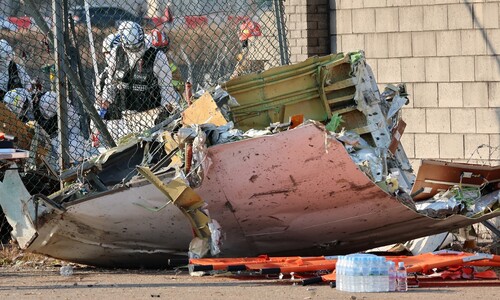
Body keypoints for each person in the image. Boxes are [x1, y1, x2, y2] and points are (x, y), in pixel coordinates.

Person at [101, 21, 181, 132]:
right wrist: (106, 101)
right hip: (124, 114)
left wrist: (166, 108)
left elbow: (166, 87)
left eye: (139, 46)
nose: (137, 50)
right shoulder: (116, 53)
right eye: (132, 48)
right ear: (123, 43)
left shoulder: (157, 56)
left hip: (151, 112)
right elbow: (110, 82)